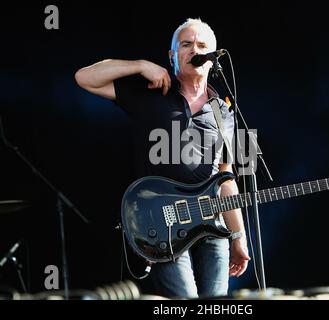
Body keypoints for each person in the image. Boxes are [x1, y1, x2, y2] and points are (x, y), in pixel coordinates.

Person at [74, 18, 250, 299]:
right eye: (186, 44)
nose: (195, 50)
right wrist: (141, 65)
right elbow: (83, 77)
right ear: (172, 56)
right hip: (163, 225)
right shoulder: (150, 95)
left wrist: (239, 237)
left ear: (214, 59)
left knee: (217, 304)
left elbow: (226, 180)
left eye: (203, 45)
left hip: (212, 226)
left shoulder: (226, 112)